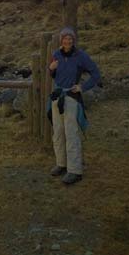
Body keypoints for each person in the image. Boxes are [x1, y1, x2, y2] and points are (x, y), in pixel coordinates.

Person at [47, 27, 101, 185]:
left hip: (71, 97)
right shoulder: (56, 54)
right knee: (58, 132)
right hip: (57, 96)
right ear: (61, 40)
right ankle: (61, 164)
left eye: (70, 38)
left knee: (71, 134)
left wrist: (82, 87)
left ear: (74, 40)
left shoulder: (81, 56)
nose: (67, 41)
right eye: (65, 38)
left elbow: (96, 74)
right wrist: (50, 70)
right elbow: (53, 74)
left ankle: (75, 170)